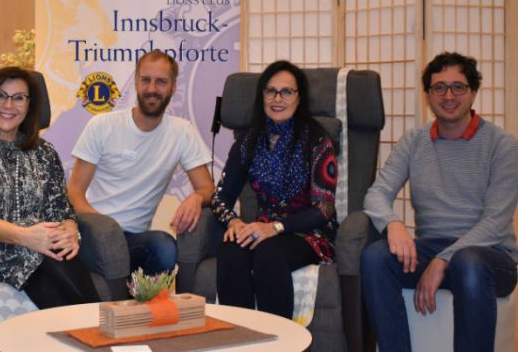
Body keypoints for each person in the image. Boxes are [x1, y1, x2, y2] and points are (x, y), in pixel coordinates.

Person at [361, 52, 518, 352]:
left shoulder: (503, 146)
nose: (448, 96)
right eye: (439, 87)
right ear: (428, 95)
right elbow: (376, 193)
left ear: (473, 92)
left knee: (467, 261)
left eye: (458, 87)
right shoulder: (413, 141)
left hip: (489, 256)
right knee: (375, 256)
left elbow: (496, 223)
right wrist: (393, 224)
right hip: (432, 248)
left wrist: (444, 259)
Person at [0, 66, 99, 309]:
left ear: (29, 105)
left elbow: (61, 209)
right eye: (0, 95)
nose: (8, 105)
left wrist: (70, 231)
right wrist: (26, 237)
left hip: (39, 244)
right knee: (43, 251)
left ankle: (90, 326)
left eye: (18, 98)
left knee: (59, 249)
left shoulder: (45, 152)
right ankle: (97, 325)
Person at [67, 50, 214, 275]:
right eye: (146, 80)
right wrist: (104, 228)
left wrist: (196, 198)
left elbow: (208, 189)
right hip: (94, 232)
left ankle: (143, 297)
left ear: (173, 87)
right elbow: (74, 191)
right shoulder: (103, 125)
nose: (152, 89)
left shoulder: (182, 132)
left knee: (164, 247)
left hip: (134, 239)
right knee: (107, 244)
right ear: (136, 83)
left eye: (161, 82)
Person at [211, 60, 338, 318]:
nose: (277, 99)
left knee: (269, 253)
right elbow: (220, 198)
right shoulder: (248, 141)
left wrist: (276, 228)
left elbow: (324, 209)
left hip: (308, 234)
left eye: (287, 92)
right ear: (262, 96)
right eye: (271, 91)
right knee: (231, 250)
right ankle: (240, 336)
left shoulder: (317, 140)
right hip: (262, 230)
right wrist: (234, 222)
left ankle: (279, 338)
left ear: (299, 97)